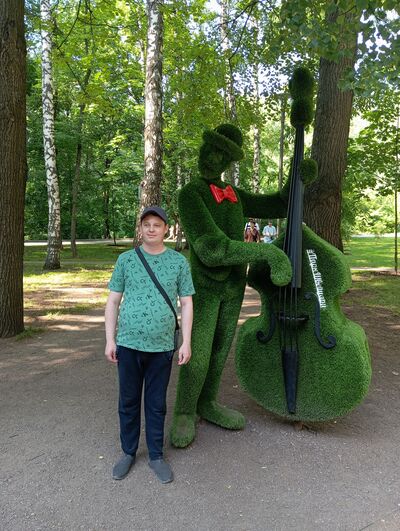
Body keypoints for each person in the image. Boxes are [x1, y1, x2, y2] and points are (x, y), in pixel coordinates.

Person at [105, 206, 195, 484]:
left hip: (162, 347)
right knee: (128, 401)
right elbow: (113, 301)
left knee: (156, 404)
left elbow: (187, 303)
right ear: (141, 228)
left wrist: (186, 342)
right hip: (128, 344)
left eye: (157, 224)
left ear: (166, 229)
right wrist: (110, 339)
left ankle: (156, 455)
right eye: (147, 225)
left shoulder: (178, 262)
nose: (152, 229)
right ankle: (128, 452)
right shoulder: (126, 260)